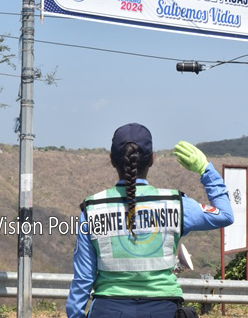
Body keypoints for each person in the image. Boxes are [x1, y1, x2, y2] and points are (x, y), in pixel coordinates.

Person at [66, 123, 234, 318]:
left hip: (108, 309)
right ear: (152, 159)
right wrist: (206, 170)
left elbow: (83, 277)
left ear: (112, 160)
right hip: (163, 309)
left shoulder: (92, 209)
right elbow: (225, 215)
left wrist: (75, 314)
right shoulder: (175, 203)